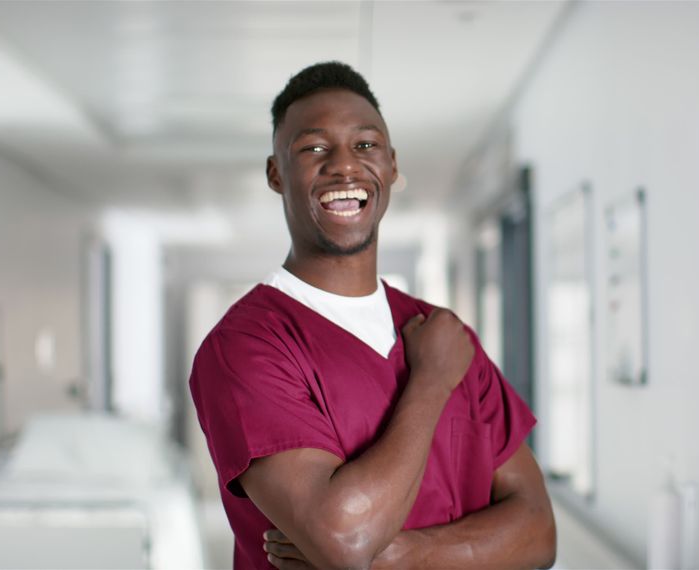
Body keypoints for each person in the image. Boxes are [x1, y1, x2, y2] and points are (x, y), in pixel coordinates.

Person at [189, 61, 556, 570]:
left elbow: (538, 531)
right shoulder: (246, 346)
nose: (344, 166)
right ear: (276, 173)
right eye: (314, 147)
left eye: (365, 145)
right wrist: (430, 382)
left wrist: (405, 556)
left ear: (390, 165)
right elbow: (348, 539)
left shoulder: (443, 333)